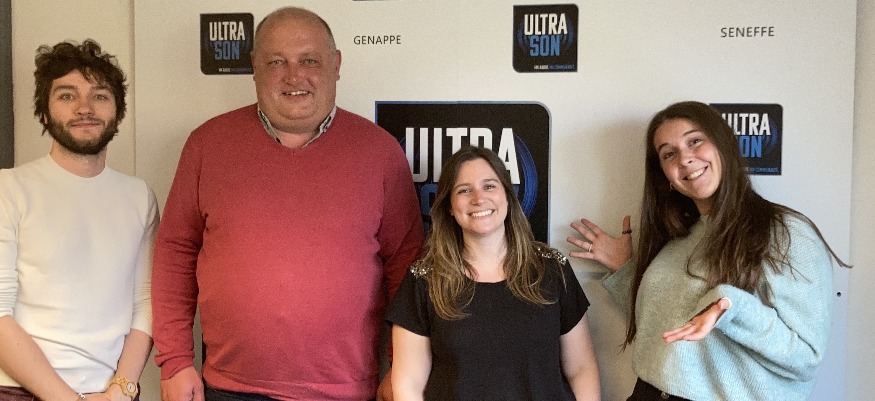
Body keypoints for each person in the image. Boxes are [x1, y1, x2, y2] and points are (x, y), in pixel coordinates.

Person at [152, 6, 423, 401]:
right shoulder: (207, 145)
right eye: (276, 61)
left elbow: (406, 270)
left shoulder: (380, 152)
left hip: (343, 392)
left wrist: (403, 369)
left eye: (309, 60)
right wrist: (175, 361)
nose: (294, 76)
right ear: (254, 67)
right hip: (229, 389)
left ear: (336, 65)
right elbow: (175, 253)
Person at [567, 101, 850, 401]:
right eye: (669, 153)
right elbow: (665, 327)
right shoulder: (680, 237)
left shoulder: (785, 233)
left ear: (723, 144)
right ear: (665, 175)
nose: (685, 159)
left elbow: (806, 358)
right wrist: (625, 270)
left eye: (695, 141)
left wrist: (731, 307)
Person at [0, 39, 157, 401]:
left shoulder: (140, 197)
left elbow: (145, 303)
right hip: (18, 390)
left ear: (117, 112)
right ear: (44, 112)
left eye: (100, 96)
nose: (84, 108)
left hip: (111, 394)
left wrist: (122, 389)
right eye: (67, 95)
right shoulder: (8, 188)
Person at [388, 146, 600, 401]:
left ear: (508, 196)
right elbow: (408, 385)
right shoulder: (424, 280)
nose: (478, 198)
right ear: (449, 206)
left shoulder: (552, 269)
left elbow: (581, 369)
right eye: (464, 190)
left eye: (489, 186)